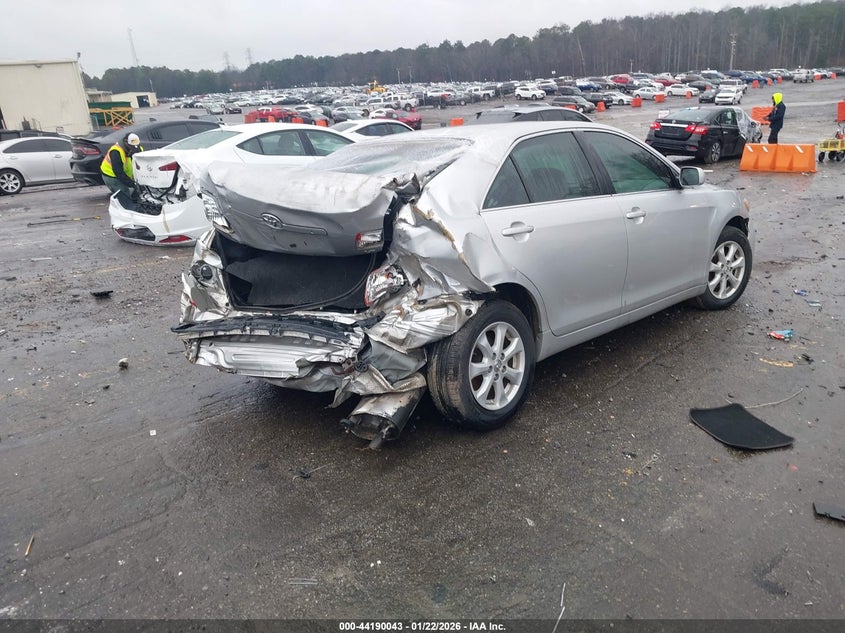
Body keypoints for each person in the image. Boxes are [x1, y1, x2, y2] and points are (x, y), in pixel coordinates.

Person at [100, 132, 143, 197]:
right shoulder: (116, 151)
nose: (133, 149)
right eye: (131, 147)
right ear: (126, 142)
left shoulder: (138, 149)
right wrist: (132, 184)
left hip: (126, 175)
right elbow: (118, 172)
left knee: (138, 193)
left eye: (135, 147)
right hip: (111, 175)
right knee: (124, 194)